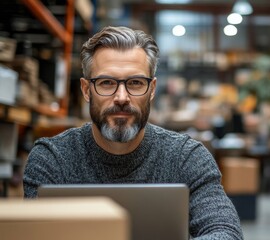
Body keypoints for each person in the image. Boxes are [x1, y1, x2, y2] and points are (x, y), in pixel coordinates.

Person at [23, 26, 243, 239]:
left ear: (152, 89)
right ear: (86, 90)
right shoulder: (52, 159)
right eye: (107, 83)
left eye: (136, 83)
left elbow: (226, 233)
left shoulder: (187, 157)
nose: (121, 97)